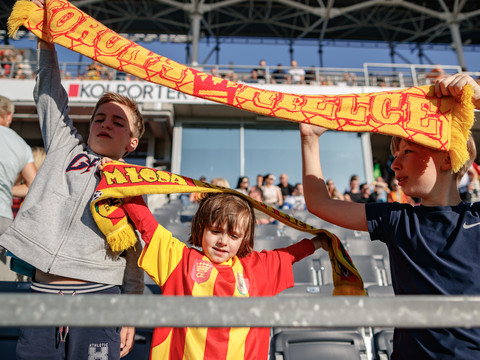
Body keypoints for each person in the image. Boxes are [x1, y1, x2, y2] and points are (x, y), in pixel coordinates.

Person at [300, 72, 480, 359]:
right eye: (394, 156)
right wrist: (310, 139)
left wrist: (477, 96)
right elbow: (319, 203)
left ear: (448, 158)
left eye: (406, 151)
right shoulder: (397, 219)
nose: (394, 165)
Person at [0, 3, 145, 357]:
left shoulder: (136, 183)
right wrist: (45, 39)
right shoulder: (66, 148)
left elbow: (134, 256)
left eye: (117, 121)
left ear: (132, 142)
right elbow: (49, 92)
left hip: (100, 300)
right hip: (43, 296)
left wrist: (130, 313)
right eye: (100, 117)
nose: (105, 123)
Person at [122, 192, 327, 359]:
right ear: (201, 228)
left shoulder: (256, 269)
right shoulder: (178, 260)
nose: (223, 241)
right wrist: (122, 182)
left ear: (244, 239)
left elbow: (288, 255)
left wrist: (317, 243)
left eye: (234, 236)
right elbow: (147, 225)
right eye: (215, 231)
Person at [0, 95, 37, 281]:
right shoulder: (21, 145)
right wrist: (6, 188)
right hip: (2, 217)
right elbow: (33, 186)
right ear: (8, 116)